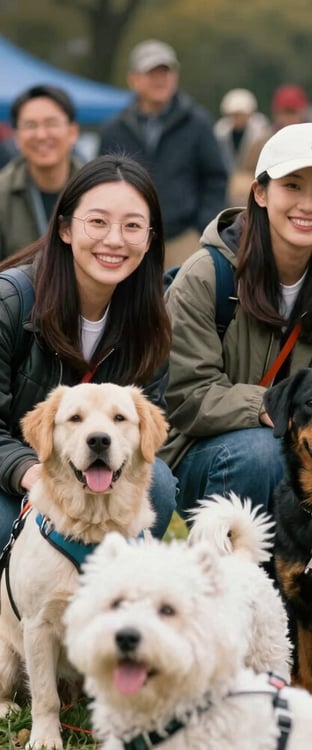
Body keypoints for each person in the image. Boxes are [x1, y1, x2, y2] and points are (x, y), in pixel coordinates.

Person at [161, 122, 312, 516]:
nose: (308, 205)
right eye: (292, 185)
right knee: (263, 453)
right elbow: (186, 396)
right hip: (207, 454)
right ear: (260, 192)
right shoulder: (206, 274)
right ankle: (241, 570)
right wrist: (274, 406)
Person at [0, 154, 177, 544]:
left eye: (132, 226)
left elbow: (146, 431)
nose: (114, 240)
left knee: (159, 484)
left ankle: (108, 595)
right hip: (14, 477)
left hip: (93, 477)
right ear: (65, 229)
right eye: (97, 222)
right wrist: (30, 472)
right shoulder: (9, 300)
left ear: (149, 240)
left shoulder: (151, 321)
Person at [98, 39, 227, 270]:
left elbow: (216, 177)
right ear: (133, 79)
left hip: (183, 239)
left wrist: (202, 227)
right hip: (128, 238)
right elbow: (101, 183)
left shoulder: (198, 123)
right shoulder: (114, 129)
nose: (160, 79)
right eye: (151, 73)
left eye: (165, 72)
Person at [0, 85, 81, 259]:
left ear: (73, 132)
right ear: (16, 137)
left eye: (51, 124)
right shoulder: (2, 193)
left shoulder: (98, 189)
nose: (41, 135)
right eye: (30, 125)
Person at [214, 88, 270, 206]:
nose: (238, 118)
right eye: (235, 115)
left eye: (241, 114)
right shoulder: (221, 134)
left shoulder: (260, 135)